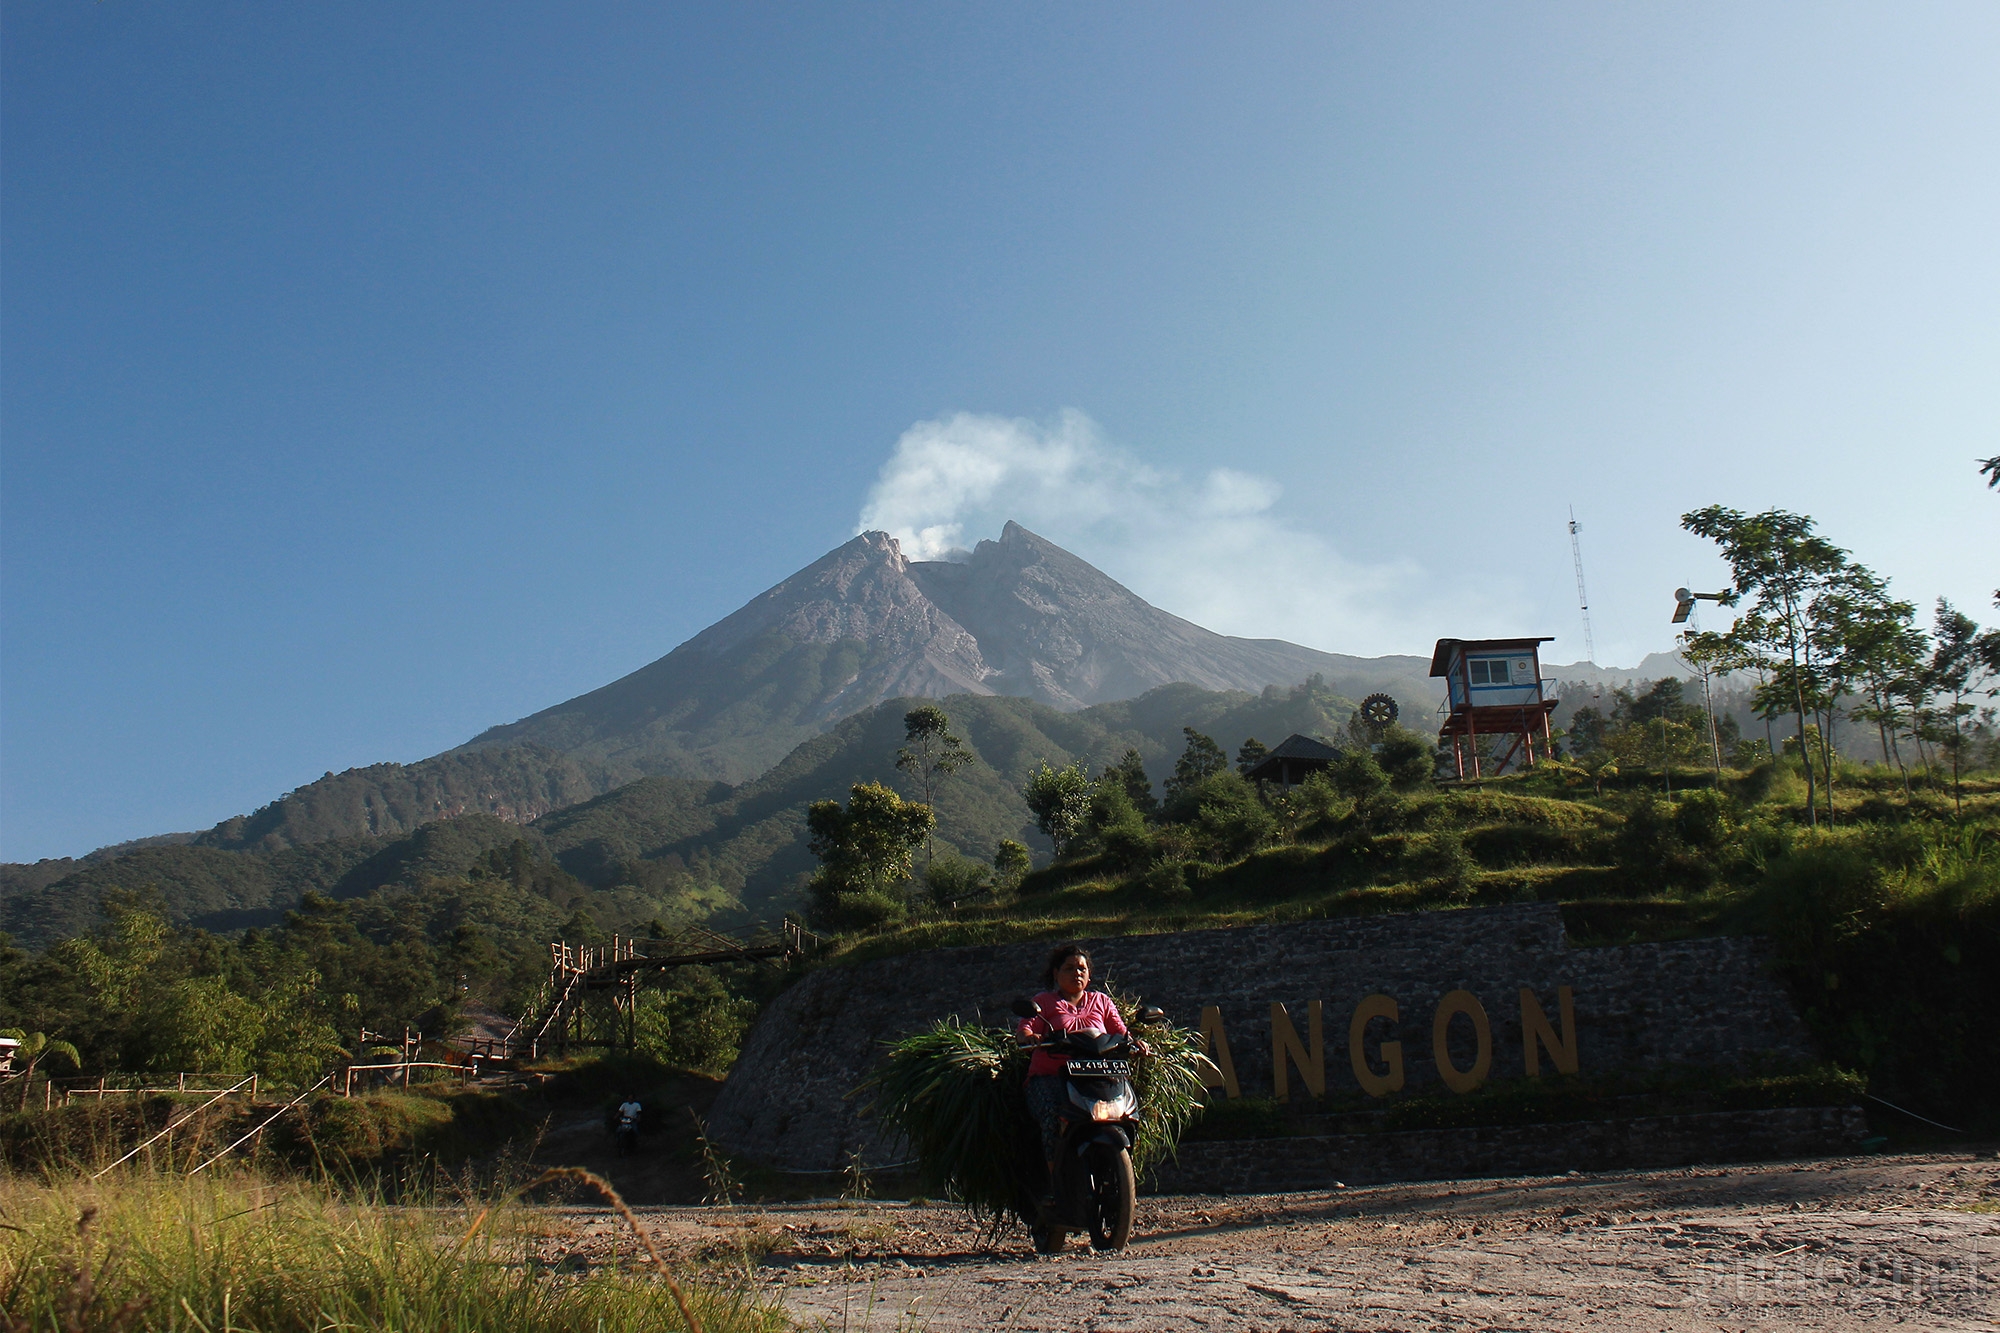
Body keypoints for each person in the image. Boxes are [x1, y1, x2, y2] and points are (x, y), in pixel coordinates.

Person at [1014, 943, 1139, 1213]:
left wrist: (1136, 1044)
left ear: (1089, 976)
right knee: (1052, 1115)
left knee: (1128, 1113)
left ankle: (1120, 1176)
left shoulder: (1102, 1002)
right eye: (1069, 968)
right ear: (1056, 973)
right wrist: (1030, 1037)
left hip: (1095, 1077)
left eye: (1081, 968)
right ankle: (1052, 1186)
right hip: (1051, 1077)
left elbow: (1121, 1033)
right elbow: (1025, 1029)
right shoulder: (1044, 1002)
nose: (1076, 974)